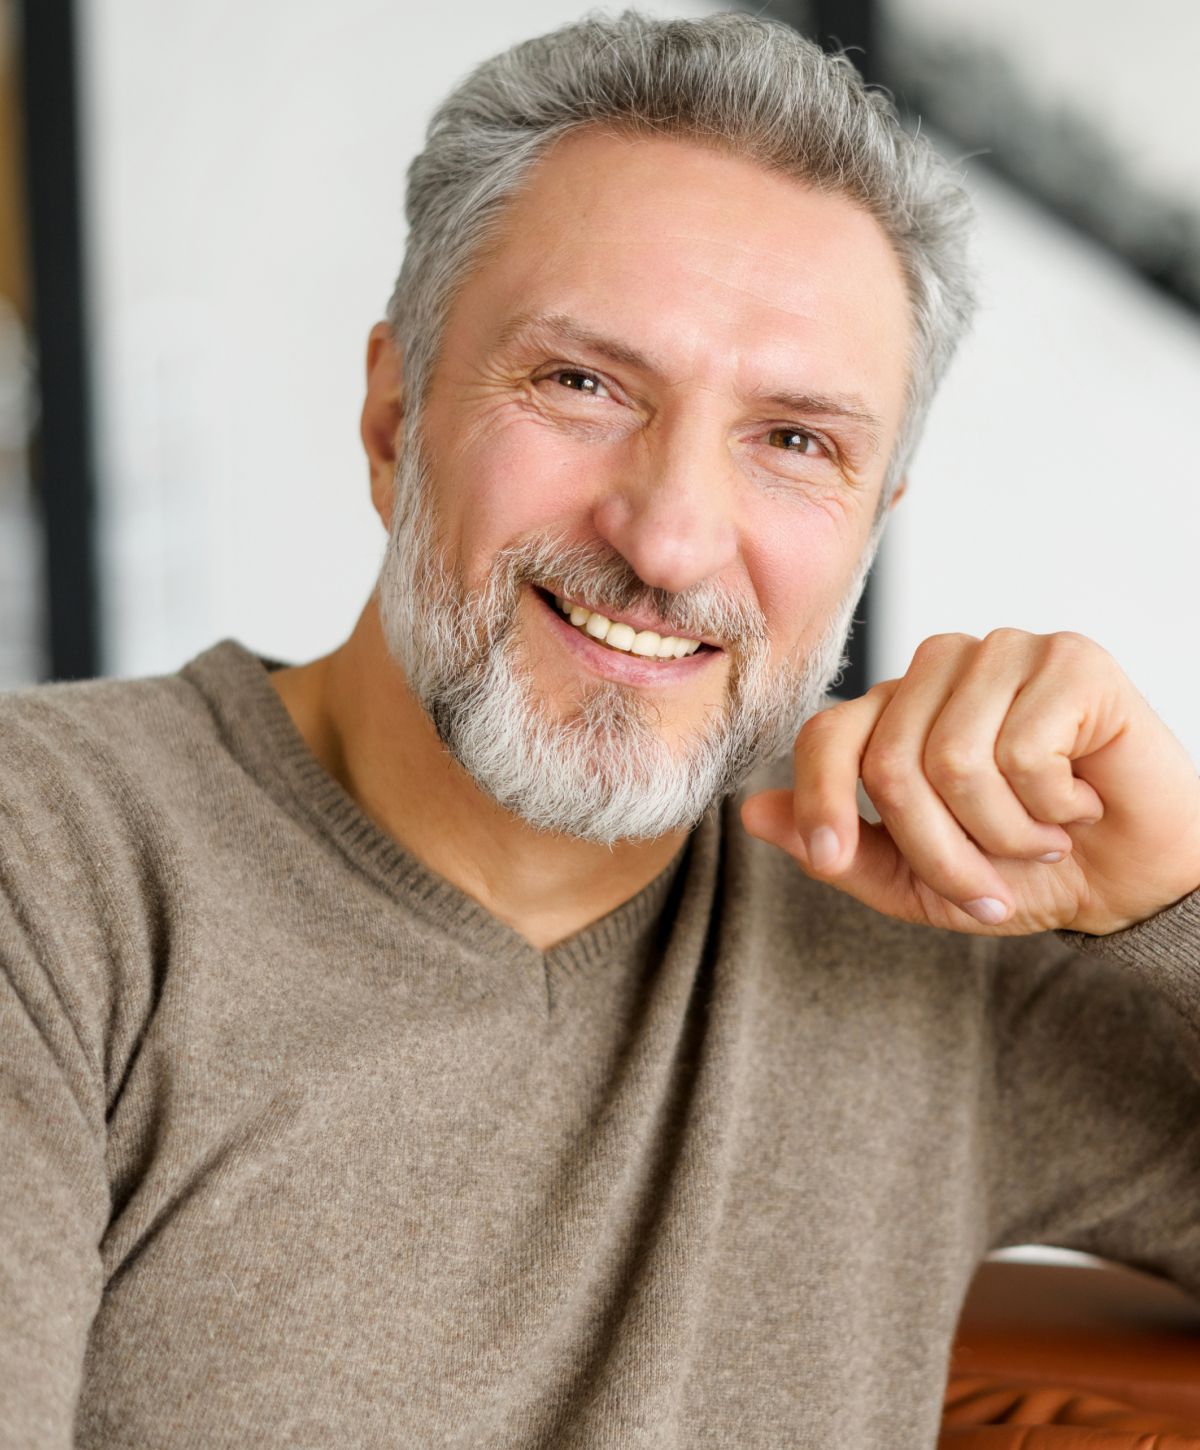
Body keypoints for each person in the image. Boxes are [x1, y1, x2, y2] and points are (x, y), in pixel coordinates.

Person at [3, 12, 1198, 1449]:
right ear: (394, 413)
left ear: (874, 527)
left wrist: (1180, 896)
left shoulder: (929, 910)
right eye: (583, 384)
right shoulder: (50, 870)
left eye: (797, 441)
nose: (674, 538)